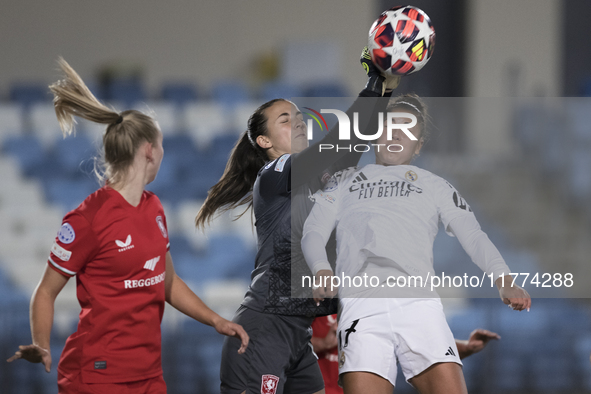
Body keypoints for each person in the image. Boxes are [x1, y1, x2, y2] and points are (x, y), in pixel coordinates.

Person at [6, 58, 248, 394]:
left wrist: (216, 320)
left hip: (149, 376)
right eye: (161, 145)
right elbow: (45, 291)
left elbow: (168, 282)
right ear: (149, 150)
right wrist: (42, 344)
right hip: (96, 377)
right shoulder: (88, 219)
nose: (163, 153)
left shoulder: (155, 208)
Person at [195, 48, 398, 394]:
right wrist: (373, 83)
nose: (299, 121)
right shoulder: (273, 174)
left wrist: (384, 88)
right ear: (264, 141)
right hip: (263, 331)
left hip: (297, 335)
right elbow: (340, 144)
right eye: (285, 120)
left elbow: (354, 143)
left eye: (299, 116)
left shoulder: (315, 178)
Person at [301, 95, 531, 394]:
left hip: (419, 305)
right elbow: (313, 231)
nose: (396, 134)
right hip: (360, 306)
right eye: (390, 126)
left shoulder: (436, 185)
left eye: (407, 130)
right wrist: (321, 269)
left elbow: (473, 236)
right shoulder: (342, 181)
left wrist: (504, 280)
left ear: (418, 145)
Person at [311, 315, 501, 394]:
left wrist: (468, 346)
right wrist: (323, 343)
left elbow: (423, 346)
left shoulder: (380, 303)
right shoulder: (314, 297)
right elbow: (286, 340)